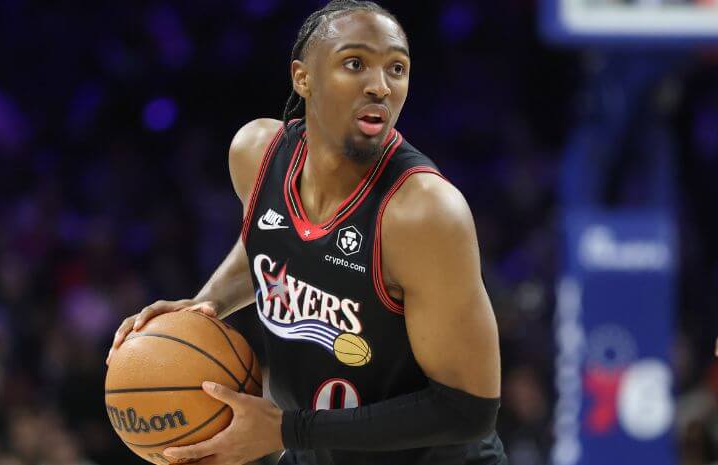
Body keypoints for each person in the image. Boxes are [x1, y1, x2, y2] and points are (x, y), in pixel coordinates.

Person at [107, 1, 507, 464]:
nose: (380, 86)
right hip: (314, 448)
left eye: (396, 68)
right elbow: (269, 238)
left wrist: (285, 429)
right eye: (354, 63)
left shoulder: (422, 213)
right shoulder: (256, 154)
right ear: (303, 78)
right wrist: (206, 305)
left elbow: (468, 410)